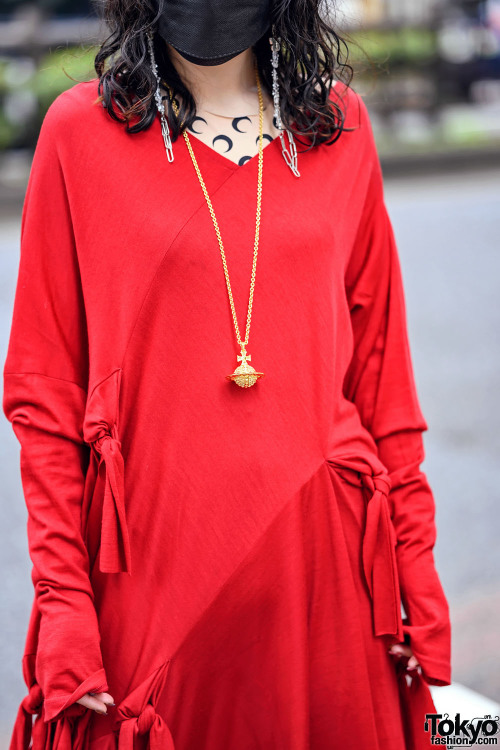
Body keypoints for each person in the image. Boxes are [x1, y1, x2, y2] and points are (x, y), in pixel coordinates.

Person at [3, 0, 452, 748]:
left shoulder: (338, 129)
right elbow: (44, 401)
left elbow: (383, 384)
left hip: (329, 579)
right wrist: (65, 609)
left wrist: (416, 572)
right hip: (157, 576)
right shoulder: (79, 134)